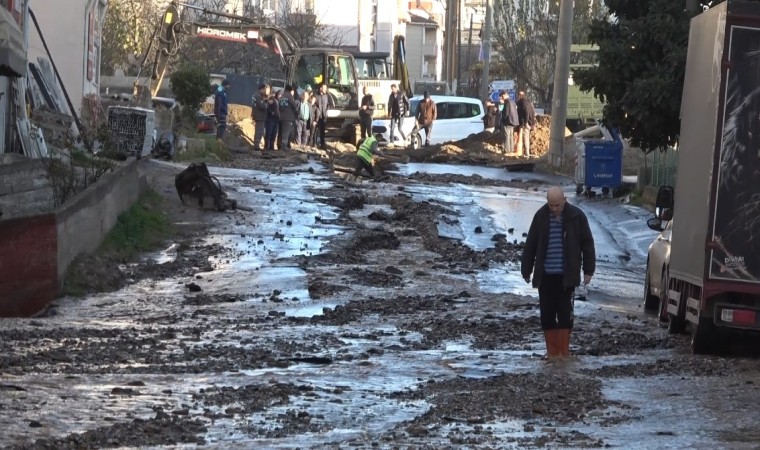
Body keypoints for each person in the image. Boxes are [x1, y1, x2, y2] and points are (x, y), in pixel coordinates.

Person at [521, 186, 596, 360]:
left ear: (564, 200)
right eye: (551, 205)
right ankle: (552, 354)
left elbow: (587, 244)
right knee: (547, 316)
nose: (554, 209)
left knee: (565, 316)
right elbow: (531, 244)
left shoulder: (576, 217)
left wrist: (588, 270)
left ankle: (563, 354)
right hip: (546, 276)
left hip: (567, 277)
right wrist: (526, 270)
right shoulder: (540, 216)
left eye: (557, 205)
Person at [516, 91, 537, 157]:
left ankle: (526, 153)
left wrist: (525, 122)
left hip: (526, 123)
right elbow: (533, 112)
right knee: (526, 137)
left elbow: (526, 112)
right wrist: (532, 123)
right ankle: (526, 152)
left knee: (525, 137)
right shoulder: (529, 102)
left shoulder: (522, 102)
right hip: (530, 122)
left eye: (518, 96)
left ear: (520, 96)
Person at [278, 85, 299, 150]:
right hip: (288, 118)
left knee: (281, 132)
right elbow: (295, 106)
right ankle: (284, 146)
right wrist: (297, 112)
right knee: (286, 132)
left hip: (281, 117)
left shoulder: (282, 96)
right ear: (290, 90)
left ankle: (279, 145)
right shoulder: (289, 97)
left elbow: (280, 107)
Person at [251, 83, 270, 151]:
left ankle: (258, 144)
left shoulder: (256, 95)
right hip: (259, 116)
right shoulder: (257, 96)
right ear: (263, 89)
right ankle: (256, 145)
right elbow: (262, 106)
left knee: (261, 131)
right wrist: (267, 103)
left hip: (259, 115)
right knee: (259, 131)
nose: (267, 92)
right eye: (266, 90)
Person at [315, 83, 334, 149]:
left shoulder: (326, 96)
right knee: (316, 130)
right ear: (321, 88)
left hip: (324, 116)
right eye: (324, 88)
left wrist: (327, 109)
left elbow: (330, 104)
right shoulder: (316, 96)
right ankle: (314, 143)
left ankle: (322, 143)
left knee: (322, 130)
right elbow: (314, 104)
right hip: (317, 116)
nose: (326, 89)